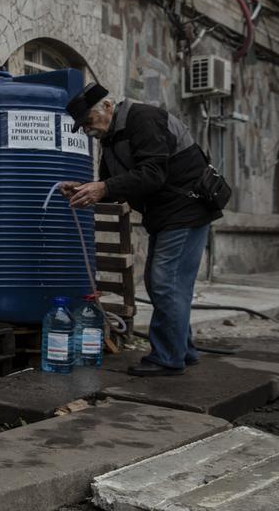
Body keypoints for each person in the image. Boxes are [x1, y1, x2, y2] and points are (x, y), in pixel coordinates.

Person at [60, 83, 222, 377]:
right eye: (82, 126)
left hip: (186, 208)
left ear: (108, 107)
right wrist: (84, 188)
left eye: (88, 122)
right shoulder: (111, 138)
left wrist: (104, 186)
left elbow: (152, 174)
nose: (86, 131)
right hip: (167, 214)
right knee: (167, 283)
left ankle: (167, 358)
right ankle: (182, 350)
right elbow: (112, 185)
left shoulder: (144, 120)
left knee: (164, 281)